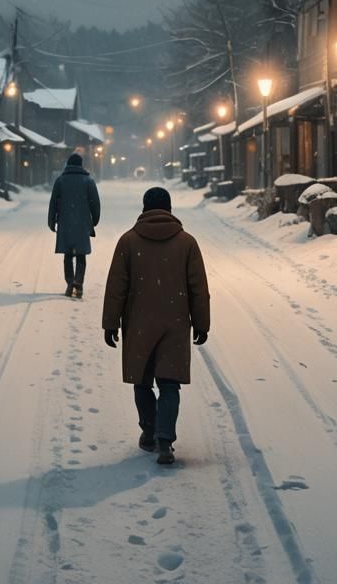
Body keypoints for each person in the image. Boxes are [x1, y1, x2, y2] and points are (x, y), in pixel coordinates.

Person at [102, 187, 210, 466]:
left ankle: (149, 432)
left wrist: (110, 323)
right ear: (170, 208)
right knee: (170, 384)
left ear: (144, 208)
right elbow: (198, 288)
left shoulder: (128, 242)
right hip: (174, 323)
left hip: (139, 323)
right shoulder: (187, 243)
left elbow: (116, 288)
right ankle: (165, 439)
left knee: (142, 381)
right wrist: (201, 323)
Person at [48, 152, 101, 298]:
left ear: (68, 164)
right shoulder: (88, 181)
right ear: (81, 165)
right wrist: (94, 220)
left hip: (65, 222)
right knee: (81, 254)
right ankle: (79, 282)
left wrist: (51, 221)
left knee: (68, 254)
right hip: (83, 222)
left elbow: (53, 202)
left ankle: (70, 283)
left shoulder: (60, 181)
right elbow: (95, 203)